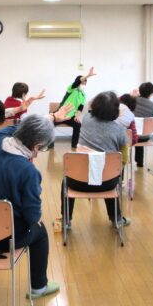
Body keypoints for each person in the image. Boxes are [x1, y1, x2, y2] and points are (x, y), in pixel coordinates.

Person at [0, 107, 71, 297]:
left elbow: (19, 127)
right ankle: (39, 287)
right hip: (2, 238)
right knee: (40, 232)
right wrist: (35, 219)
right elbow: (33, 215)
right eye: (41, 148)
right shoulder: (28, 171)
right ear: (36, 146)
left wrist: (50, 117)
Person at [62, 91, 131, 227]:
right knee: (110, 174)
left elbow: (89, 106)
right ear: (115, 110)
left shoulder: (86, 119)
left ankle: (66, 221)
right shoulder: (119, 130)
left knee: (65, 182)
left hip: (77, 182)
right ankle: (117, 219)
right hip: (107, 184)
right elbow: (124, 158)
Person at [54, 67, 96, 150]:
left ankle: (74, 146)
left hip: (70, 116)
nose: (84, 84)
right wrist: (88, 75)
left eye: (85, 83)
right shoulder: (71, 89)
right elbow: (77, 82)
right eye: (83, 82)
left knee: (78, 125)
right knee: (50, 123)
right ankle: (49, 144)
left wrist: (77, 115)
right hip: (60, 114)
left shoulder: (83, 95)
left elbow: (80, 107)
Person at [133, 82, 153, 167]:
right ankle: (140, 162)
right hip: (145, 136)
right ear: (151, 93)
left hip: (132, 136)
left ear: (139, 91)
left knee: (135, 130)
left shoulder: (133, 101)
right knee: (140, 130)